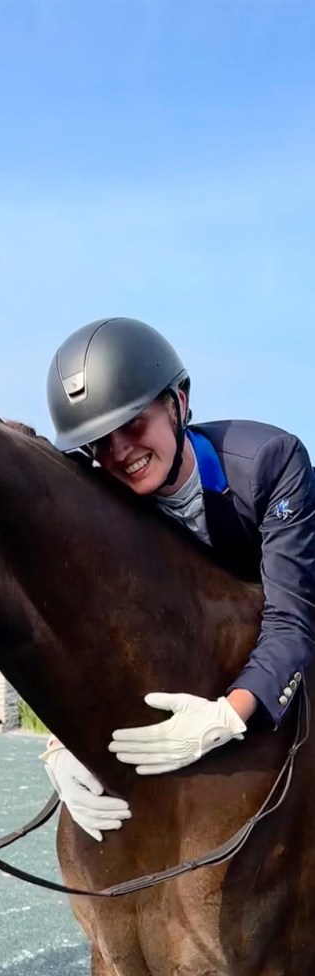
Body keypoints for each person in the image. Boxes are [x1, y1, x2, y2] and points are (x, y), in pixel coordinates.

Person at [41, 317, 315, 839]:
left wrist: (228, 717)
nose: (120, 452)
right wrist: (60, 744)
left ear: (179, 404)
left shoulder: (272, 463)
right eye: (99, 441)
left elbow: (292, 618)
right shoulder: (107, 502)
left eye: (133, 424)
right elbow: (96, 627)